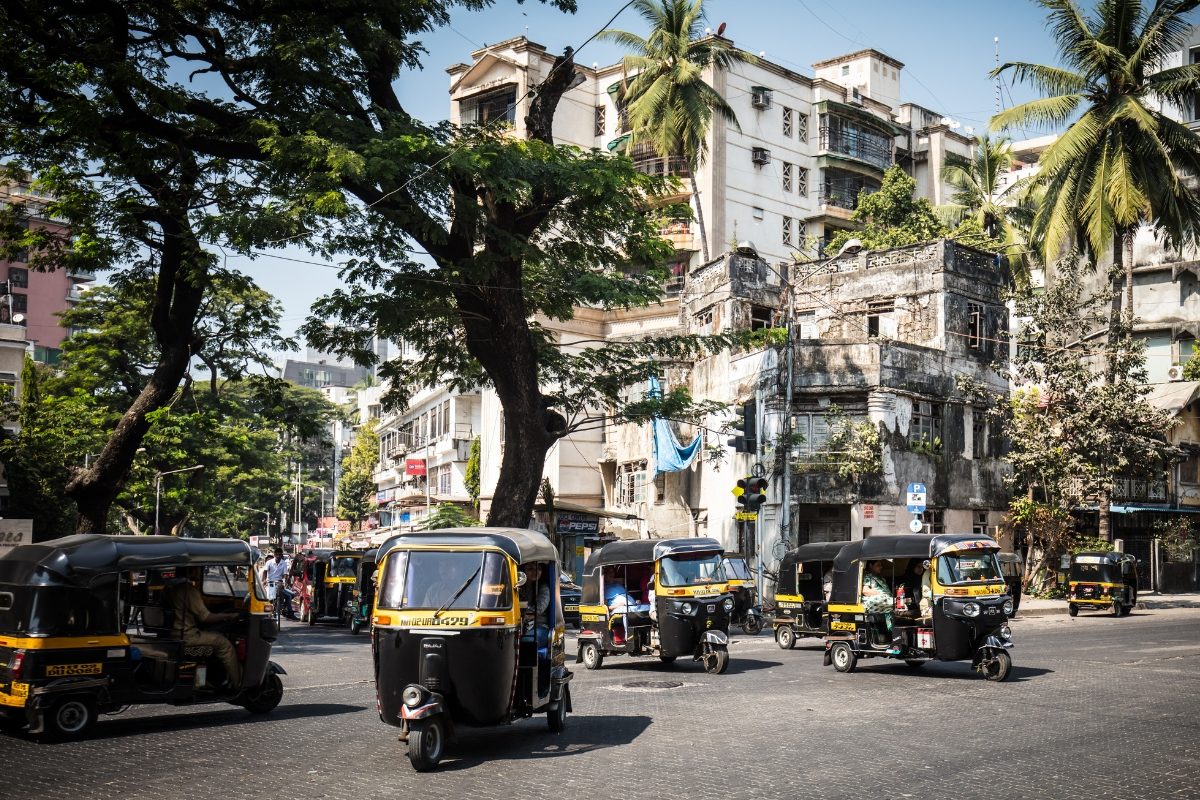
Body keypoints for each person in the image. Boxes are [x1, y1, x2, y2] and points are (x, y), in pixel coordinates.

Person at [166, 567, 242, 689]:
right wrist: (228, 616)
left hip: (173, 634)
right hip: (188, 636)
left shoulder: (169, 588)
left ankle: (214, 678)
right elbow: (205, 617)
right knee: (225, 644)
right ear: (191, 570)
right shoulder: (188, 590)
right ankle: (238, 685)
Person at [861, 560, 903, 652]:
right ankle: (896, 602)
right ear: (871, 565)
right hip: (874, 602)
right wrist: (878, 594)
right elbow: (865, 591)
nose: (881, 567)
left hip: (884, 603)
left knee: (890, 610)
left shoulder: (881, 578)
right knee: (888, 601)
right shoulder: (868, 576)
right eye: (878, 565)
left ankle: (892, 636)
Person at [265, 548, 296, 619]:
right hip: (270, 583)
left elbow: (285, 574)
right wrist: (264, 581)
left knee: (289, 596)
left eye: (279, 554)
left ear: (281, 555)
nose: (278, 556)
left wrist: (284, 582)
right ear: (274, 555)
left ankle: (285, 610)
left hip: (279, 583)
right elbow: (265, 572)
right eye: (276, 554)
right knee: (268, 598)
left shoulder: (284, 563)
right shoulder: (269, 562)